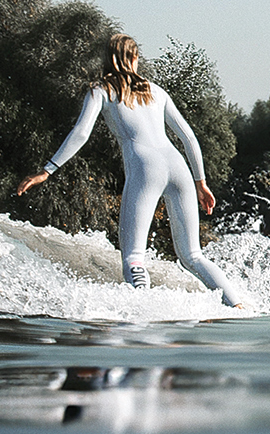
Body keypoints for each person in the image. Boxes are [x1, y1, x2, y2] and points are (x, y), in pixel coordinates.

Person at [16, 34, 246, 308]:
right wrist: (201, 182)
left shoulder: (101, 90)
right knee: (192, 256)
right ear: (135, 58)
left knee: (134, 257)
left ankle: (143, 312)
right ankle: (237, 306)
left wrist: (47, 170)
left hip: (145, 168)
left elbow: (80, 133)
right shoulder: (156, 91)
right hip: (178, 167)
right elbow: (189, 138)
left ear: (108, 59)